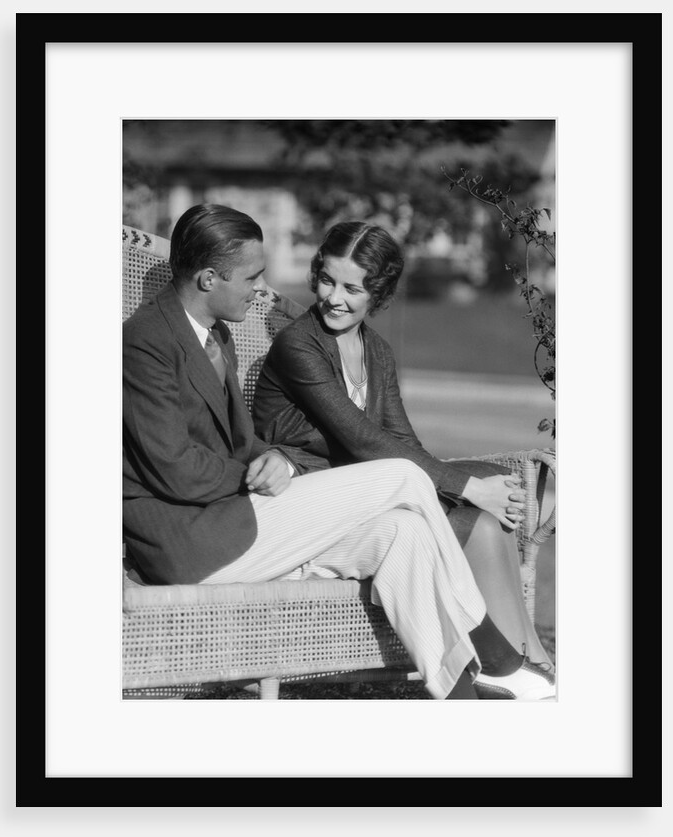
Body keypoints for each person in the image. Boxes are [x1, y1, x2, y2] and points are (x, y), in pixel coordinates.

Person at [123, 203, 555, 700]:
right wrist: (254, 474)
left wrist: (275, 459)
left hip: (239, 519)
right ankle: (496, 651)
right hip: (192, 543)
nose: (263, 290)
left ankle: (467, 701)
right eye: (252, 277)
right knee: (402, 477)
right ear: (207, 278)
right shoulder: (144, 343)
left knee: (405, 532)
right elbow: (176, 470)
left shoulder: (217, 334)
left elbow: (242, 443)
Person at [251, 220, 553, 674]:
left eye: (353, 288)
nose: (335, 298)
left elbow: (402, 440)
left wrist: (474, 487)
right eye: (328, 280)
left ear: (379, 292)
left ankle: (527, 662)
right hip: (313, 500)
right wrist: (467, 487)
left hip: (373, 486)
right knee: (479, 510)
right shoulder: (299, 346)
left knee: (489, 508)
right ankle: (519, 670)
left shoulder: (378, 351)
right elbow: (363, 438)